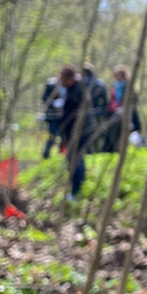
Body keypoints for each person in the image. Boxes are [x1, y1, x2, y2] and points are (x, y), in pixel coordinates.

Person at [56, 64, 91, 200]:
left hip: (79, 131)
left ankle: (76, 190)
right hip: (72, 132)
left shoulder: (77, 91)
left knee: (76, 159)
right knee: (73, 158)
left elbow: (73, 113)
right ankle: (76, 187)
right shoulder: (72, 90)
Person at [81, 63, 112, 153]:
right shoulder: (100, 83)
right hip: (98, 112)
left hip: (85, 113)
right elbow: (105, 100)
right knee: (97, 133)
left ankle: (88, 151)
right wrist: (104, 111)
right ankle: (97, 151)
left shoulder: (82, 83)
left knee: (86, 132)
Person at [41, 76, 64, 159]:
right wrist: (54, 104)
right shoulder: (51, 84)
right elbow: (44, 99)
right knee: (51, 136)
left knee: (64, 137)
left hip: (64, 116)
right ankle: (46, 155)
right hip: (52, 116)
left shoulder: (68, 87)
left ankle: (62, 154)